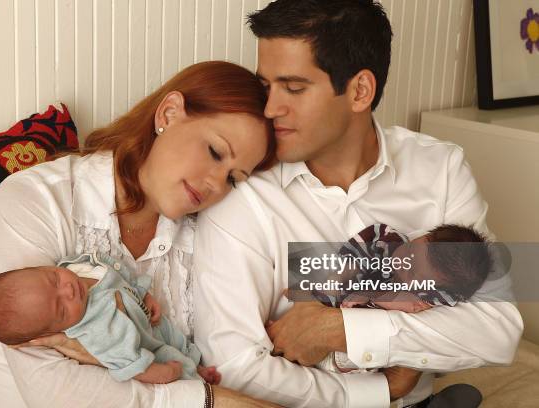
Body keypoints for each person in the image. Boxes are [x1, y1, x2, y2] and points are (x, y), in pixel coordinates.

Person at [192, 1, 523, 407]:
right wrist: (383, 389)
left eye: (294, 88)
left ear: (360, 91)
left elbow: (498, 330)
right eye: (266, 86)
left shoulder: (440, 168)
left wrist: (340, 329)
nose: (270, 108)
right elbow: (236, 367)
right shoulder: (243, 188)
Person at [0, 61, 280, 408]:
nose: (216, 184)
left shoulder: (206, 232)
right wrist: (211, 399)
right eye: (215, 152)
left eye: (234, 178)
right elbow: (56, 393)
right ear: (169, 113)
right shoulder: (37, 200)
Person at [0, 252, 220, 385]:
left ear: (43, 268)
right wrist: (168, 374)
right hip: (153, 347)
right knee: (177, 359)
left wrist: (143, 294)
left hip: (151, 319)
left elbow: (116, 272)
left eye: (53, 279)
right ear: (53, 330)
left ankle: (197, 365)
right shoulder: (95, 331)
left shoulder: (76, 267)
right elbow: (131, 366)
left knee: (181, 341)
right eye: (61, 309)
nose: (68, 291)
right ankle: (198, 376)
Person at [326, 223, 493, 312]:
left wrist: (376, 297)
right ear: (424, 235)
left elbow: (447, 297)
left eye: (412, 271)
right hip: (335, 302)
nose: (402, 262)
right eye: (410, 249)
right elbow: (357, 253)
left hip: (365, 335)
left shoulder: (430, 292)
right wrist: (342, 276)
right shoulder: (387, 241)